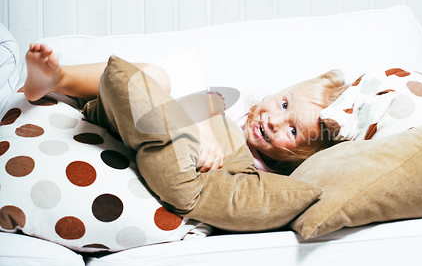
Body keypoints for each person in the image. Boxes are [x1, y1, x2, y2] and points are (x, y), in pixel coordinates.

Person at [24, 43, 348, 175]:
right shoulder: (235, 106)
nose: (274, 120)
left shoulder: (265, 175)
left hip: (137, 149)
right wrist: (204, 129)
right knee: (158, 75)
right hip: (116, 109)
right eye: (284, 103)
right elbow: (197, 91)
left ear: (304, 156)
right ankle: (58, 78)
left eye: (293, 130)